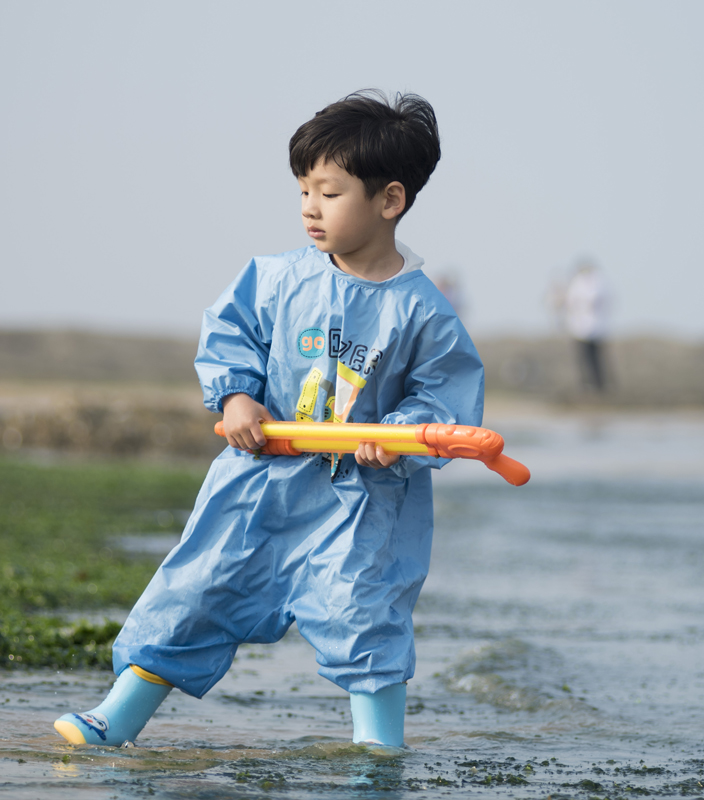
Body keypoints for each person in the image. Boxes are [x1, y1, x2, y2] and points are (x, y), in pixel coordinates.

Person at [54, 90, 484, 749]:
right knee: (198, 590)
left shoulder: (424, 312)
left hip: (363, 500)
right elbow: (231, 340)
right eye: (304, 190)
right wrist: (236, 398)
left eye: (330, 192)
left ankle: (379, 748)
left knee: (363, 612)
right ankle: (116, 717)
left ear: (389, 200)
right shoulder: (274, 279)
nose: (311, 207)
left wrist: (397, 437)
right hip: (258, 483)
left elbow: (443, 399)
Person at [564, 260, 611, 391]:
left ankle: (599, 385)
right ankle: (587, 384)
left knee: (596, 358)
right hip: (581, 328)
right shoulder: (577, 283)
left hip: (595, 327)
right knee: (584, 358)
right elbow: (571, 304)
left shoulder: (599, 282)